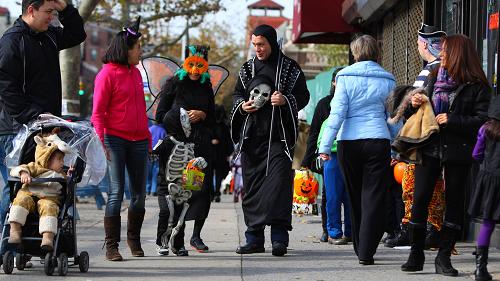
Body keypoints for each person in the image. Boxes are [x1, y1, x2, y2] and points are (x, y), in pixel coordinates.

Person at [401, 34, 491, 276]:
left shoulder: (477, 86)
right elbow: (412, 114)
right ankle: (416, 253)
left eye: (446, 51)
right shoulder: (432, 77)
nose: (441, 55)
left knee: (454, 203)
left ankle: (443, 258)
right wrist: (415, 103)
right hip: (429, 146)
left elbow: (483, 121)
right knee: (420, 199)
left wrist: (454, 120)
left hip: (458, 150)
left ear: (458, 54)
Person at [0, 0, 86, 232]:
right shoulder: (11, 41)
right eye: (48, 12)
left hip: (42, 129)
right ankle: (7, 246)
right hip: (15, 128)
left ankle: (24, 246)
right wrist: (33, 116)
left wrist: (65, 7)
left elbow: (77, 34)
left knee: (38, 186)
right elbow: (6, 87)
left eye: (54, 12)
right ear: (31, 10)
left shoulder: (48, 36)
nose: (52, 17)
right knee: (15, 186)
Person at [231, 24, 310, 256]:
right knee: (253, 189)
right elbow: (237, 94)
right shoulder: (246, 70)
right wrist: (241, 106)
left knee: (278, 187)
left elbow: (303, 96)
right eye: (254, 44)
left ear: (272, 43)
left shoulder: (290, 68)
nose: (258, 49)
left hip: (280, 140)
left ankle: (279, 239)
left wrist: (286, 100)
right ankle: (254, 238)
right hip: (252, 141)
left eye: (262, 44)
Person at [318, 35, 396, 265]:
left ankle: (359, 245)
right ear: (376, 53)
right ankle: (367, 250)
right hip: (378, 139)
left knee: (353, 195)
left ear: (355, 53)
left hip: (349, 141)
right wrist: (397, 143)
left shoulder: (344, 77)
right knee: (374, 196)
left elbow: (337, 114)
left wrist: (324, 146)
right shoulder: (388, 79)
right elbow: (392, 116)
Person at [91, 17, 151, 261]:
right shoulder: (106, 74)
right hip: (114, 139)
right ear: (126, 49)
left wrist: (147, 137)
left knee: (139, 195)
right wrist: (101, 140)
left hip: (139, 140)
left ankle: (133, 240)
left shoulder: (136, 73)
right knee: (117, 192)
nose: (141, 51)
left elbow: (140, 109)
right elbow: (97, 113)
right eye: (138, 47)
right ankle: (111, 246)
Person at [385, 23, 447, 249]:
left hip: (423, 140)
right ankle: (430, 228)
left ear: (424, 44)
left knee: (414, 186)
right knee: (434, 187)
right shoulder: (444, 68)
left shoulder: (430, 70)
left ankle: (415, 228)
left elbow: (415, 112)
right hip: (438, 139)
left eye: (420, 43)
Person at [155, 45, 215, 256]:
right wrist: (178, 116)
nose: (195, 70)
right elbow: (160, 115)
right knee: (172, 192)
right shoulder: (173, 84)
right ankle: (166, 238)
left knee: (195, 192)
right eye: (192, 65)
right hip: (174, 145)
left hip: (199, 147)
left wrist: (203, 115)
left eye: (201, 65)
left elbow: (214, 118)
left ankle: (187, 238)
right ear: (185, 63)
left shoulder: (207, 87)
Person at [301, 67, 351, 245]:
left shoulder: (353, 101)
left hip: (350, 152)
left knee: (349, 195)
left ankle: (350, 231)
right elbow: (314, 133)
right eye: (339, 79)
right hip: (330, 154)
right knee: (331, 195)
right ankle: (329, 231)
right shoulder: (325, 104)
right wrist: (308, 160)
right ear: (333, 82)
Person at [8, 129, 73, 251]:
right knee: (21, 200)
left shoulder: (61, 174)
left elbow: (68, 189)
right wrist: (23, 173)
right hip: (30, 195)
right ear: (46, 158)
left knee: (49, 207)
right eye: (59, 159)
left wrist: (69, 177)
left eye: (63, 160)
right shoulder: (35, 167)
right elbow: (18, 169)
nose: (62, 163)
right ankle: (15, 230)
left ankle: (48, 237)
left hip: (49, 199)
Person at [468, 97, 500, 281]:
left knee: (487, 224)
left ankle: (481, 269)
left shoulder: (485, 129)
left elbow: (476, 154)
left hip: (488, 180)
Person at [211, 105, 232, 202]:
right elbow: (228, 141)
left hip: (211, 153)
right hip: (221, 154)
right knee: (218, 174)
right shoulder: (224, 126)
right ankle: (216, 193)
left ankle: (212, 193)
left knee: (210, 174)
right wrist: (228, 153)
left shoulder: (209, 125)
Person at [147, 121, 166, 196]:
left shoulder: (149, 129)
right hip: (157, 154)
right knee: (155, 172)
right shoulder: (163, 131)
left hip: (149, 153)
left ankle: (147, 189)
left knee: (148, 172)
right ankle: (153, 190)